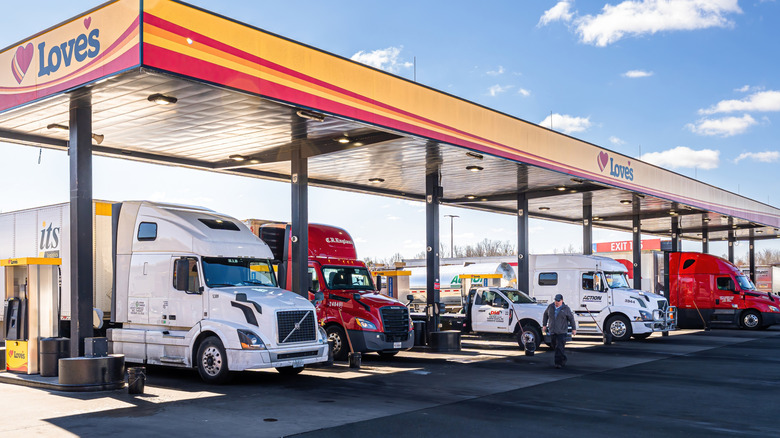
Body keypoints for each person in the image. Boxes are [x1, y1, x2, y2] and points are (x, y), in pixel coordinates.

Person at [542, 293, 577, 368]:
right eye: (555, 301)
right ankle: (563, 358)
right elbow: (545, 315)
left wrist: (574, 329)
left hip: (562, 331)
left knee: (559, 347)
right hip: (552, 331)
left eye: (558, 301)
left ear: (562, 300)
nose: (556, 302)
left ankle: (558, 363)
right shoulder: (550, 307)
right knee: (554, 346)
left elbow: (571, 319)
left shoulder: (566, 309)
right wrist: (544, 325)